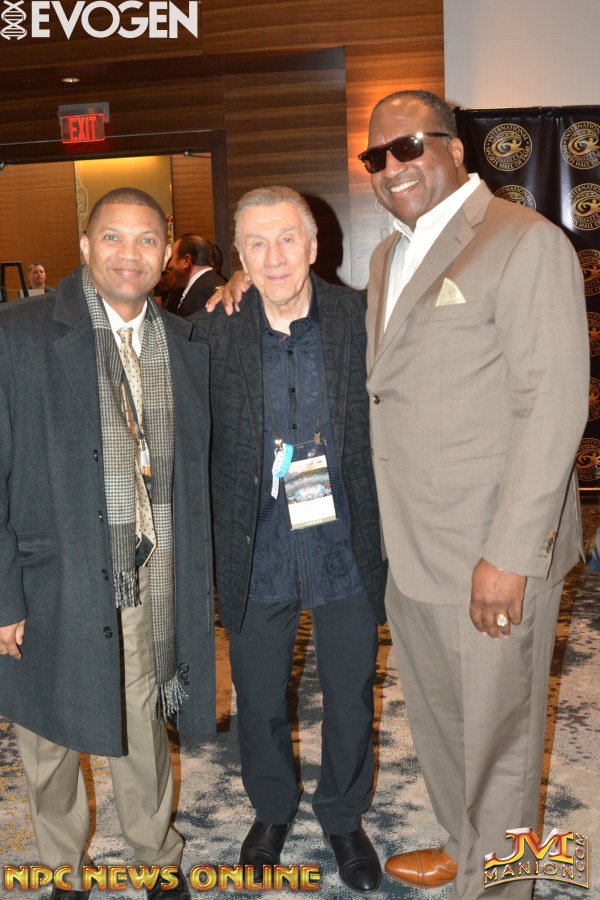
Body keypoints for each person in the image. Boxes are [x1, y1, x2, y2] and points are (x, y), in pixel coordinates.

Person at [360, 90, 588, 899]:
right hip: (414, 546)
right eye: (376, 156)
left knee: (502, 747)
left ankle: (501, 887)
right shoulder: (387, 258)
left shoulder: (523, 242)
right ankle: (466, 847)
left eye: (409, 146)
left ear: (455, 149)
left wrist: (510, 555)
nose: (392, 166)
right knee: (443, 728)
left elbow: (552, 406)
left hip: (491, 553)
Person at [0, 187, 215, 900]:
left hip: (144, 571)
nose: (130, 254)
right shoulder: (20, 333)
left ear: (168, 253)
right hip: (50, 575)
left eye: (147, 239)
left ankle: (156, 855)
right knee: (48, 736)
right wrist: (2, 597)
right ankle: (64, 867)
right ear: (86, 246)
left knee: (141, 721)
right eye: (113, 238)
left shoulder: (181, 343)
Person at [192, 186, 387, 894]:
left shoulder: (362, 319)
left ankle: (343, 815)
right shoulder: (211, 331)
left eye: (285, 239)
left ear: (313, 244)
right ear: (239, 258)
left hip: (345, 542)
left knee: (350, 692)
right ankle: (272, 809)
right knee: (258, 695)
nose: (273, 257)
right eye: (256, 244)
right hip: (257, 546)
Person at [165, 233, 225, 317]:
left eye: (172, 258)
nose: (169, 265)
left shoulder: (205, 293)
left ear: (186, 260)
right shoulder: (212, 283)